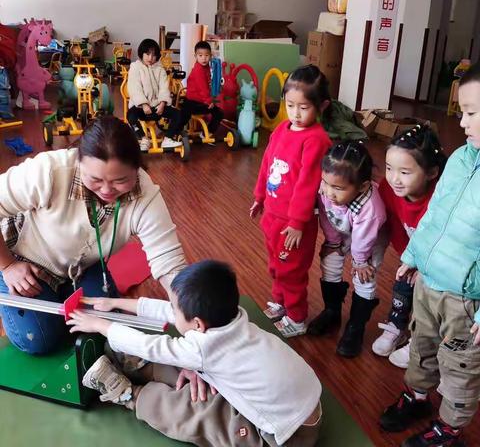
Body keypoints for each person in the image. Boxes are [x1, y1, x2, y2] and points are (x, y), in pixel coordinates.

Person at [66, 260, 322, 447]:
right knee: (191, 371)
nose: (172, 312)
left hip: (285, 437)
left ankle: (130, 393)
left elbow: (150, 344)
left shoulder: (204, 348)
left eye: (178, 312)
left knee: (198, 414)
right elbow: (169, 310)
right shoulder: (233, 320)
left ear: (198, 324)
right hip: (294, 403)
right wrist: (115, 303)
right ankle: (143, 366)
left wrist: (100, 325)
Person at [0, 116, 186, 355]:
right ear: (79, 161)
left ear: (137, 168)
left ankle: (65, 294)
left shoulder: (146, 196)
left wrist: (192, 326)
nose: (107, 190)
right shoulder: (49, 170)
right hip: (25, 261)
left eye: (121, 180)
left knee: (106, 326)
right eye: (95, 180)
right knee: (39, 339)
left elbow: (170, 267)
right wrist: (8, 266)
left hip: (82, 266)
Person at [379, 64, 480, 447]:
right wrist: (416, 255)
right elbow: (434, 216)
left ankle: (450, 428)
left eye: (471, 112)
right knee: (422, 345)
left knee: (460, 367)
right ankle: (417, 398)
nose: (463, 121)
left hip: (467, 301)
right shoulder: (460, 159)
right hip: (430, 282)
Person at [250, 65, 332, 338]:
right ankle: (280, 302)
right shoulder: (282, 130)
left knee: (292, 270)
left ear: (321, 106)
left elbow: (307, 184)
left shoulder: (317, 139)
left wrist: (298, 222)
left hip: (294, 224)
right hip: (272, 215)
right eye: (290, 105)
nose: (295, 113)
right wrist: (259, 196)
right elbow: (267, 164)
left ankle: (297, 317)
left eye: (304, 107)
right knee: (276, 264)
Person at [371, 125, 446, 368]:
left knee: (429, 298)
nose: (394, 178)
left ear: (432, 172)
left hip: (442, 263)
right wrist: (405, 261)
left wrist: (422, 267)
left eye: (405, 172)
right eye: (390, 168)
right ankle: (397, 325)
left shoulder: (440, 200)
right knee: (403, 284)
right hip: (412, 255)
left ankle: (421, 342)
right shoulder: (388, 189)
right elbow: (390, 224)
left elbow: (443, 245)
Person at [307, 140, 387, 358]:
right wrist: (333, 242)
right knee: (329, 262)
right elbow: (326, 215)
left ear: (362, 186)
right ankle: (332, 311)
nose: (329, 192)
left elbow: (364, 238)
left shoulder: (371, 208)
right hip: (341, 228)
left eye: (338, 188)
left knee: (364, 276)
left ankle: (356, 327)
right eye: (325, 183)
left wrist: (360, 261)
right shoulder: (326, 189)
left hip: (370, 236)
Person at [127, 38, 183, 151]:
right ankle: (143, 139)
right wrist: (143, 104)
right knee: (130, 116)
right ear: (141, 54)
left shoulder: (160, 69)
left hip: (158, 107)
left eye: (153, 55)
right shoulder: (135, 68)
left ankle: (168, 139)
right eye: (147, 54)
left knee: (179, 115)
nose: (150, 58)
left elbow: (164, 88)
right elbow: (135, 88)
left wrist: (162, 103)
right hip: (140, 108)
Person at [180, 41, 224, 138]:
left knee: (219, 113)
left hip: (202, 101)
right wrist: (209, 101)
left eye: (206, 55)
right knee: (183, 116)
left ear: (210, 55)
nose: (204, 58)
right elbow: (202, 88)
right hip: (192, 102)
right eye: (200, 55)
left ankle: (206, 133)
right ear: (195, 56)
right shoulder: (198, 70)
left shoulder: (207, 67)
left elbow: (208, 85)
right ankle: (175, 133)